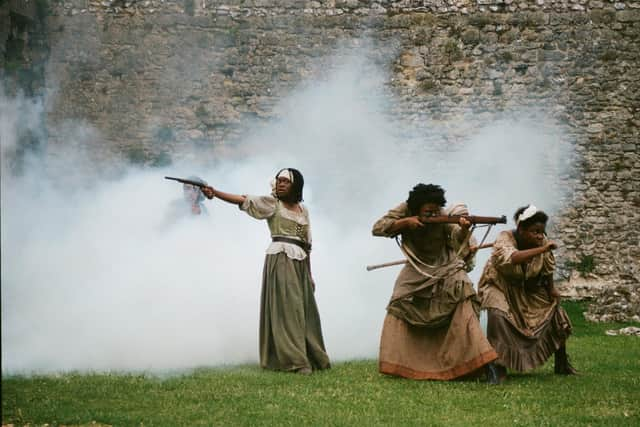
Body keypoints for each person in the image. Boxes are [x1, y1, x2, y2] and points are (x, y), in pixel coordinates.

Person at [201, 168, 331, 374]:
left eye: (285, 182)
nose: (280, 184)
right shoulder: (273, 204)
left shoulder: (303, 210)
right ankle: (295, 361)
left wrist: (309, 273)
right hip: (280, 259)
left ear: (295, 185)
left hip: (299, 263)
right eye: (278, 181)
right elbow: (243, 200)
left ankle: (310, 355)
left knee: (303, 309)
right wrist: (215, 192)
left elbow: (307, 243)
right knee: (288, 310)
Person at [372, 184, 500, 383]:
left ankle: (487, 365)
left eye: (436, 211)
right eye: (427, 212)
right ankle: (399, 363)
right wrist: (405, 222)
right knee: (399, 301)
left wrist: (464, 229)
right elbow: (378, 228)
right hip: (416, 267)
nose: (433, 215)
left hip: (446, 265)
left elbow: (456, 236)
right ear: (416, 208)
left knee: (464, 298)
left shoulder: (443, 215)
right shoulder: (404, 210)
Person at [477, 204, 576, 380]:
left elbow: (547, 267)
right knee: (497, 315)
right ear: (521, 229)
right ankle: (496, 366)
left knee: (555, 313)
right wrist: (543, 249)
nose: (540, 236)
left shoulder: (542, 242)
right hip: (498, 285)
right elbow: (513, 258)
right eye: (535, 232)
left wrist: (551, 289)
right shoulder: (504, 238)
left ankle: (562, 362)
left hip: (524, 289)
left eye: (541, 232)